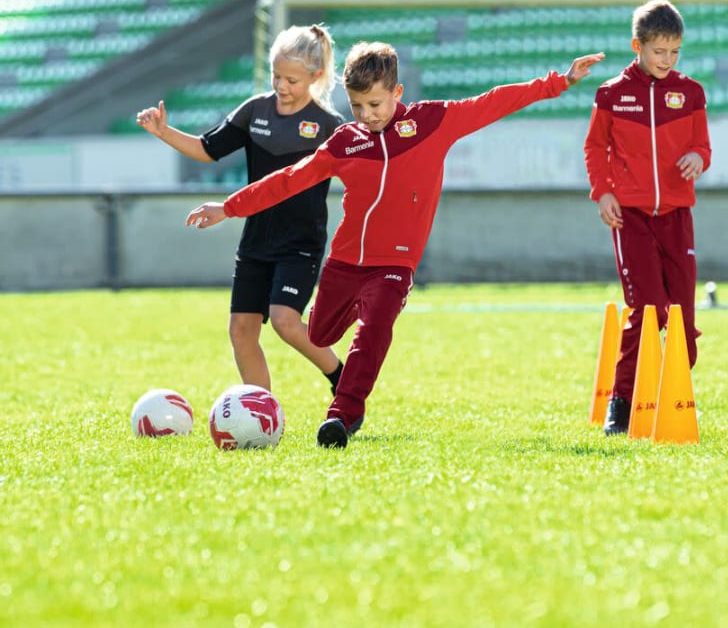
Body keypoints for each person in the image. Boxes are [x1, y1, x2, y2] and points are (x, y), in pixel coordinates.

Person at [186, 41, 605, 448]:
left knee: (373, 331)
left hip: (395, 265)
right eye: (357, 107)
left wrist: (559, 82)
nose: (367, 116)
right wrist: (230, 206)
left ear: (397, 93)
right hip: (344, 263)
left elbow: (493, 102)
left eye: (376, 105)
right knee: (318, 330)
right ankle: (341, 361)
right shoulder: (344, 142)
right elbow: (290, 179)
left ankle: (343, 415)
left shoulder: (431, 123)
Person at [136, 24, 346, 393]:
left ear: (315, 77)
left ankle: (342, 381)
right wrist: (164, 132)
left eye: (292, 80)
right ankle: (262, 411)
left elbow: (363, 168)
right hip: (255, 243)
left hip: (300, 244)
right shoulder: (255, 111)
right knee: (241, 330)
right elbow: (207, 149)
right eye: (276, 76)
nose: (282, 86)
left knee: (285, 321)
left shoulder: (330, 126)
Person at [583, 0, 712, 436]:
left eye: (675, 52)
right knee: (648, 309)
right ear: (637, 45)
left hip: (678, 216)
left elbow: (704, 146)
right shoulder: (611, 94)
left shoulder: (691, 92)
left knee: (683, 315)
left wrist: (698, 156)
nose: (667, 60)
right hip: (631, 217)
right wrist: (603, 193)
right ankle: (621, 403)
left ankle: (670, 394)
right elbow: (594, 148)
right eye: (659, 51)